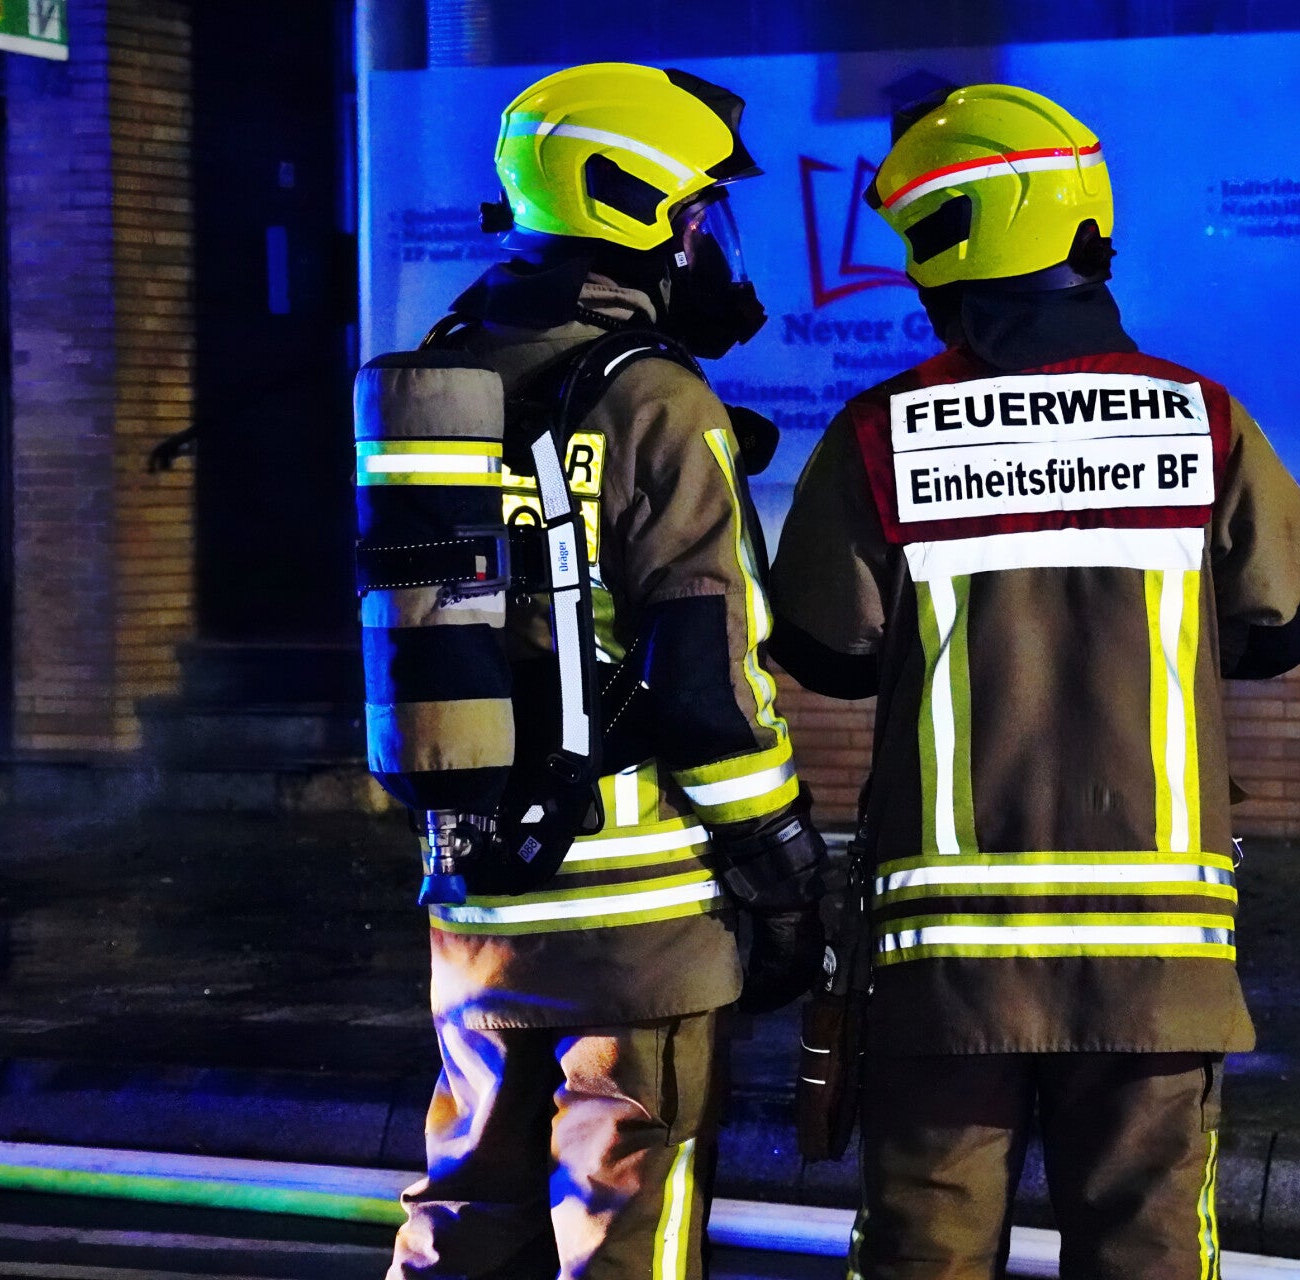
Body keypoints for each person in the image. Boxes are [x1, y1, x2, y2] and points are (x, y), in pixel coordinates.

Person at [767, 85, 1300, 1280]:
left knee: (925, 1251)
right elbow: (1288, 620)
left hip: (948, 967)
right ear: (1085, 230)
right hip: (1157, 960)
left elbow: (824, 650)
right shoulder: (1202, 419)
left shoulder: (882, 432)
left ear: (942, 247)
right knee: (1146, 1253)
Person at [379, 62, 827, 1280]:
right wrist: (783, 867)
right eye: (699, 216)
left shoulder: (442, 384)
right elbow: (709, 684)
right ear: (637, 211)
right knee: (621, 1237)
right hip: (637, 923)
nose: (709, 246)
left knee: (465, 1219)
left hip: (476, 906)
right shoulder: (656, 400)